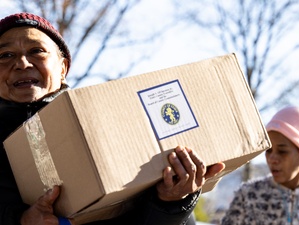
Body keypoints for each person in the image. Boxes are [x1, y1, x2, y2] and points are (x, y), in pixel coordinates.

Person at [0, 12, 225, 225]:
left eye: (36, 51)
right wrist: (20, 220)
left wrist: (173, 201)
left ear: (63, 68)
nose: (22, 63)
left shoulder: (113, 125)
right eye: (5, 55)